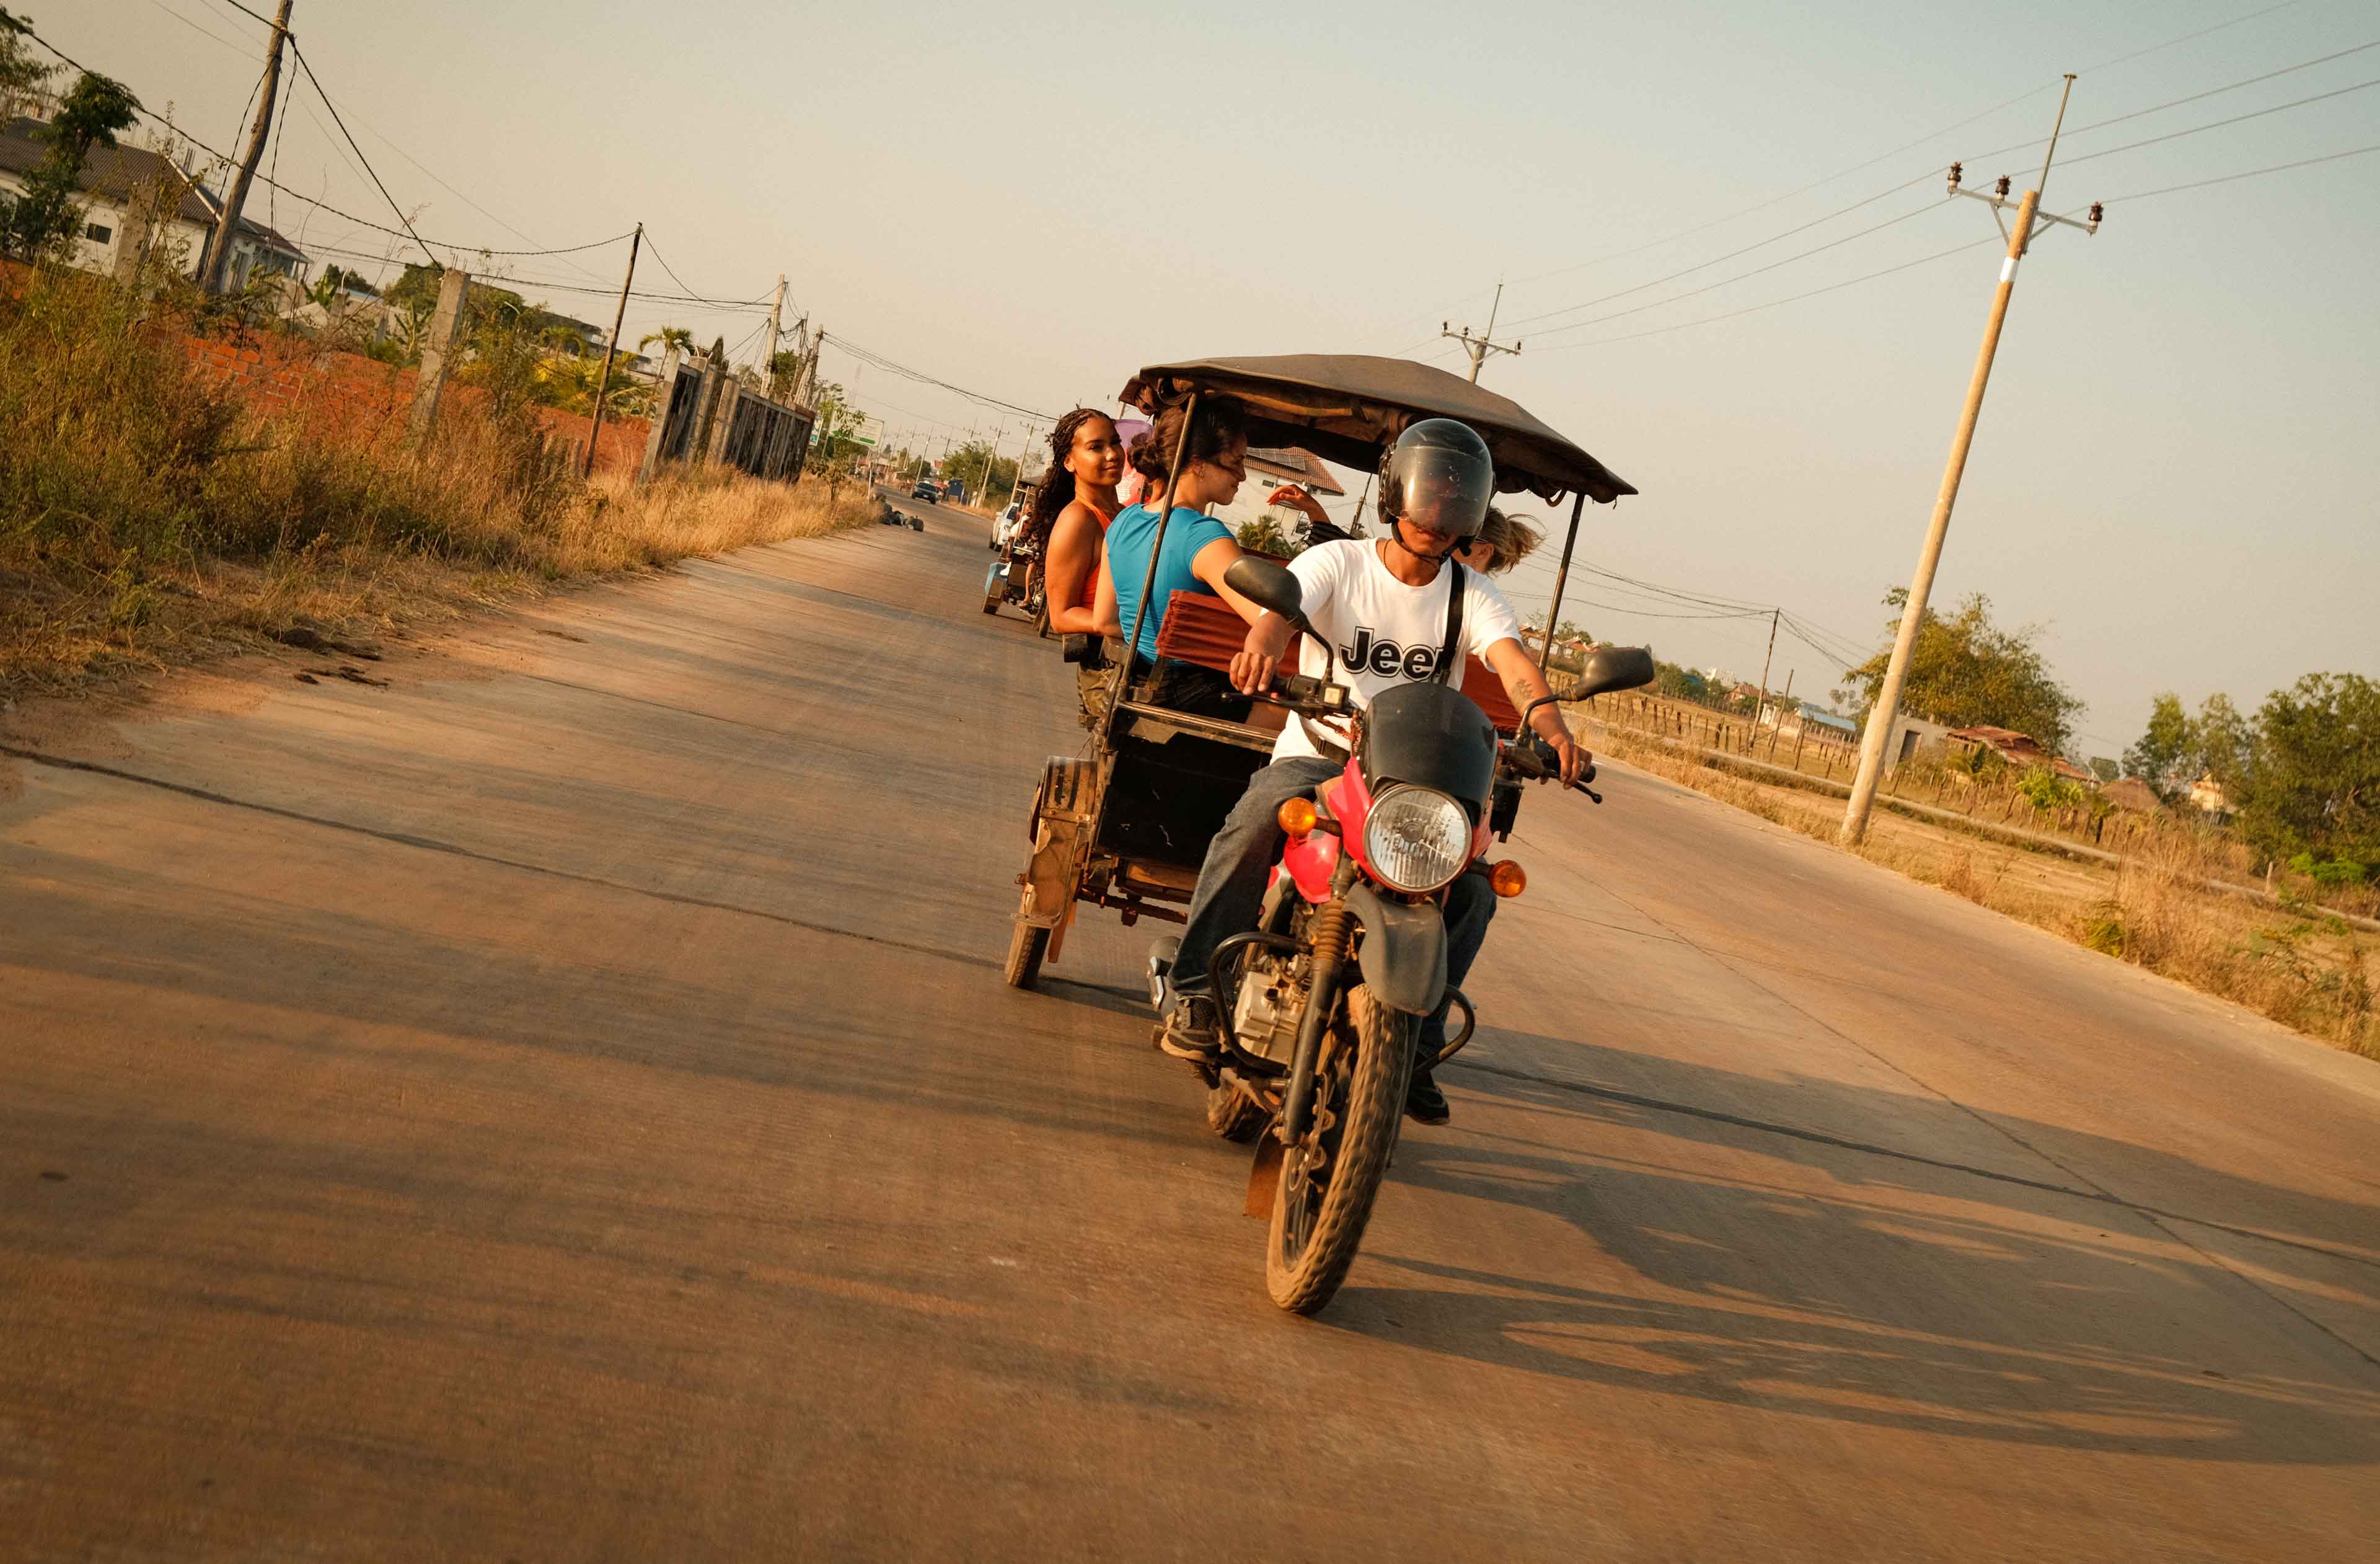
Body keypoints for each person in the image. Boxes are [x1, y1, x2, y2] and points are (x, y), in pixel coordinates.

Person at [1155, 418, 1588, 1126]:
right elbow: (1278, 615)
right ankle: (1197, 988)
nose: (1437, 515)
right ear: (1397, 494)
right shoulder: (1339, 564)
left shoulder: (1471, 594)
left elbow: (1512, 665)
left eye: (1454, 500)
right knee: (1255, 820)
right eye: (1428, 495)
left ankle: (1414, 1044)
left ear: (1471, 511)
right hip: (1321, 755)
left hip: (1415, 779)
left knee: (1476, 891)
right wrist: (1262, 649)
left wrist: (1552, 727)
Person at [1089, 398, 1269, 718]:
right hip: (1192, 694)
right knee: (1290, 716)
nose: (1242, 475)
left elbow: (1104, 621)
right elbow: (1267, 616)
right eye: (1236, 461)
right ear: (1198, 463)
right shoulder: (1204, 537)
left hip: (1135, 681)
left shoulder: (1123, 522)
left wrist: (1146, 643)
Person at [1025, 410, 1130, 724]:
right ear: (1070, 462)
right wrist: (1126, 627)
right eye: (1095, 447)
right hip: (1108, 674)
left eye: (1115, 443)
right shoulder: (1078, 521)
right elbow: (1062, 616)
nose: (1112, 454)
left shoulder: (1126, 514)